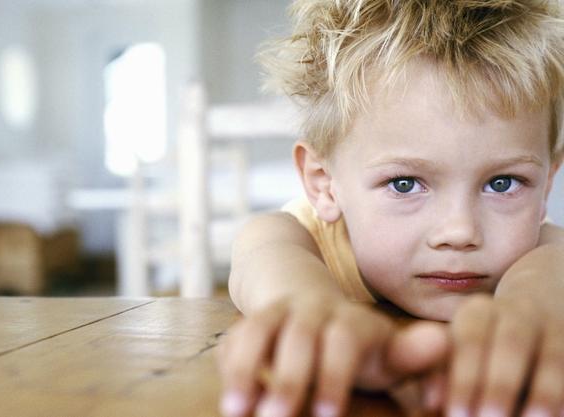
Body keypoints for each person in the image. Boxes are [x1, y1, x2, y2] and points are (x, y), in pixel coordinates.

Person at [217, 1, 564, 417]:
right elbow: (262, 256)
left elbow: (552, 270)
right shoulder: (299, 238)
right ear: (323, 183)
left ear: (546, 183)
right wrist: (313, 309)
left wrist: (528, 311)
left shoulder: (533, 248)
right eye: (405, 184)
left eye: (501, 184)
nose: (459, 230)